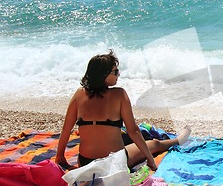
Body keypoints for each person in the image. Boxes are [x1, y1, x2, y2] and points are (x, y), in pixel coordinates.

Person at [55, 50, 191, 171]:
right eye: (115, 71)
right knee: (154, 144)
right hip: (113, 163)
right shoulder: (119, 94)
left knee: (121, 135)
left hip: (86, 163)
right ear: (103, 75)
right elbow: (134, 131)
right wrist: (150, 160)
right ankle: (179, 140)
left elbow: (66, 129)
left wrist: (60, 156)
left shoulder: (79, 94)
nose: (118, 74)